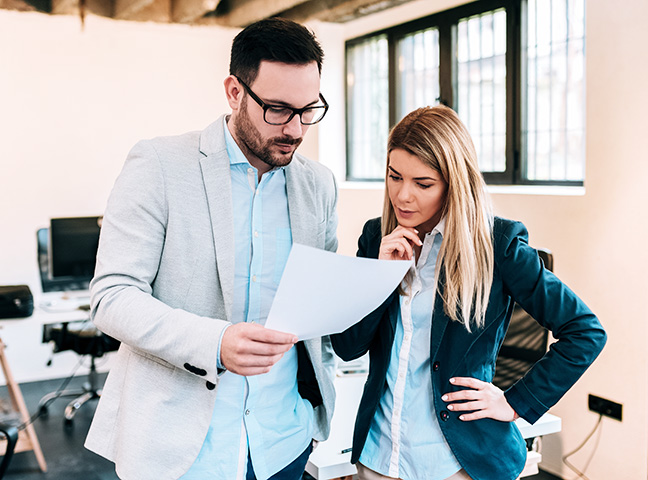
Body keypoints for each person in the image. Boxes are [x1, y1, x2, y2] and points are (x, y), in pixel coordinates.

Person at [85, 18, 338, 480]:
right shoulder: (159, 165)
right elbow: (112, 296)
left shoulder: (318, 185)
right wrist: (215, 343)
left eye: (308, 110)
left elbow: (316, 306)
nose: (296, 130)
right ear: (235, 92)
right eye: (278, 109)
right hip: (182, 451)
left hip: (284, 442)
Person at [331, 105, 606, 480]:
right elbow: (347, 346)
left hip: (457, 464)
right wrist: (380, 276)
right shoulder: (376, 236)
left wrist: (513, 403)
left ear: (453, 183)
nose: (403, 196)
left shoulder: (498, 246)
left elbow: (586, 332)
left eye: (423, 184)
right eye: (395, 177)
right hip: (380, 457)